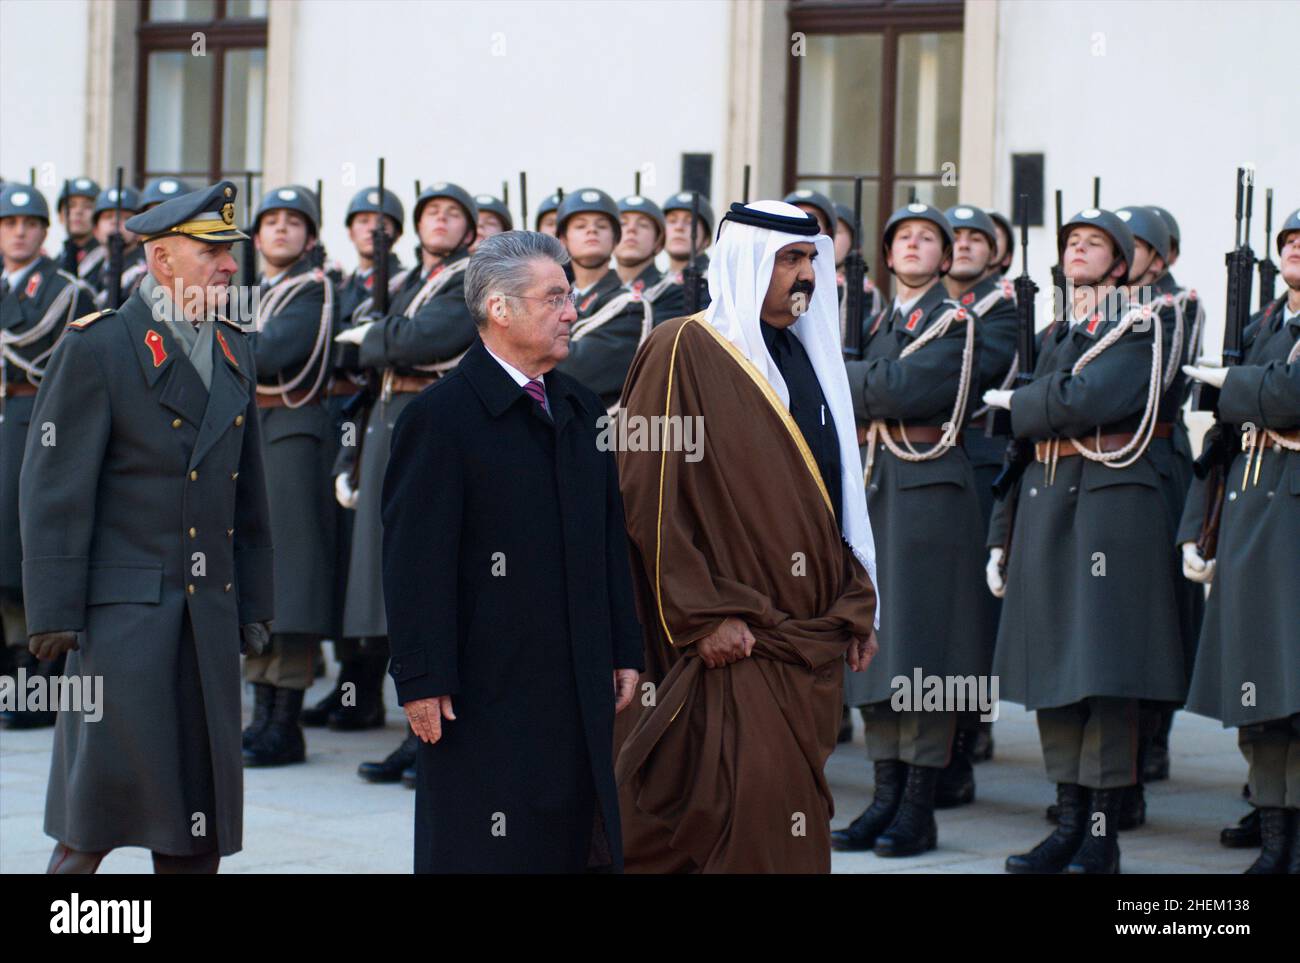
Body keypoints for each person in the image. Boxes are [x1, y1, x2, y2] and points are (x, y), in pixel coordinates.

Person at [614, 200, 879, 873]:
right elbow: (650, 492)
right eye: (789, 259)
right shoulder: (681, 347)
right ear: (748, 261)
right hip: (733, 635)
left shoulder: (806, 355)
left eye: (812, 259)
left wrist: (858, 600)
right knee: (745, 813)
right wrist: (700, 613)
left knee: (791, 814)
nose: (806, 275)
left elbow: (835, 489)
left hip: (809, 637)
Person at [20, 180, 274, 873]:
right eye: (212, 251)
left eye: (231, 252)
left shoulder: (233, 348)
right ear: (162, 260)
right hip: (124, 621)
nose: (229, 265)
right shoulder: (100, 346)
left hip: (208, 618)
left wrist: (254, 601)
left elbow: (246, 496)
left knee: (197, 826)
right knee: (91, 823)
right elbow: (54, 490)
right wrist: (53, 609)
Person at [382, 230, 643, 872]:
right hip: (480, 690)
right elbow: (414, 562)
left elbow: (610, 538)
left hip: (576, 677)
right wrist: (421, 676)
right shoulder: (440, 417)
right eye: (555, 297)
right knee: (485, 846)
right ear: (500, 308)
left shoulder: (580, 407)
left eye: (571, 297)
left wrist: (623, 647)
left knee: (574, 843)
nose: (571, 312)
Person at [985, 208, 1186, 874]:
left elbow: (1089, 399)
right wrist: (1002, 533)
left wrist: (1026, 401)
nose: (1078, 250)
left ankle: (1101, 834)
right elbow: (1030, 416)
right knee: (1054, 674)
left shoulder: (1141, 323)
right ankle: (1069, 822)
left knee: (1103, 675)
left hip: (1108, 507)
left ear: (1123, 264)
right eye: (1071, 241)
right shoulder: (1057, 330)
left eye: (1094, 243)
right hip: (1049, 500)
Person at [834, 203, 992, 855]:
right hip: (876, 488)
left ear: (946, 255)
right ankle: (887, 794)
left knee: (923, 650)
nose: (914, 246)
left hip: (927, 489)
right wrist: (864, 381)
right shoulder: (874, 319)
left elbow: (907, 389)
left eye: (928, 238)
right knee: (875, 643)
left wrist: (853, 379)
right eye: (903, 237)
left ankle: (919, 807)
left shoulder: (958, 321)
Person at [334, 181, 478, 784]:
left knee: (428, 578)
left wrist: (370, 340)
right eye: (431, 213)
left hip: (435, 420)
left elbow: (430, 338)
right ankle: (412, 731)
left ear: (470, 229)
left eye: (452, 214)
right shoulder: (411, 278)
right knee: (396, 585)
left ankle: (439, 736)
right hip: (392, 421)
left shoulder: (470, 277)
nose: (440, 221)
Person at [1180, 207, 1300, 874]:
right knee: (1259, 688)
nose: (1296, 251)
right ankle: (1277, 836)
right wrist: (1195, 528)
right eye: (1289, 241)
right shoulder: (1260, 327)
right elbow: (1219, 445)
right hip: (1250, 514)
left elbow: (1288, 395)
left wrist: (1233, 388)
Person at [239, 186, 338, 767]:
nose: (280, 230)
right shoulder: (255, 292)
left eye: (293, 222)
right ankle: (261, 712)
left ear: (309, 236)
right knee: (254, 573)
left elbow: (273, 350)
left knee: (291, 578)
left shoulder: (313, 288)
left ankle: (287, 722)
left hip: (294, 432)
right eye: (271, 221)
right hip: (254, 429)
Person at [302, 183, 406, 734]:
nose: (371, 228)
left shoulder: (402, 285)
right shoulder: (336, 284)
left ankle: (365, 691)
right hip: (336, 411)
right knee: (343, 556)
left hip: (371, 409)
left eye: (381, 220)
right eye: (362, 220)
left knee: (368, 556)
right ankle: (347, 686)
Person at [0, 183, 97, 729]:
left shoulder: (65, 291)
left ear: (45, 232)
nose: (18, 231)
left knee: (23, 547)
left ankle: (36, 678)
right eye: (9, 223)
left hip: (31, 419)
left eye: (30, 223)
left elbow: (39, 349)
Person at [552, 188, 649, 409]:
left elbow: (578, 370)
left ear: (615, 239)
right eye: (580, 226)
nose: (592, 231)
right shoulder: (552, 299)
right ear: (563, 239)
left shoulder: (630, 305)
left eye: (602, 226)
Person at [660, 190, 713, 312]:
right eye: (672, 221)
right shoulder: (656, 287)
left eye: (690, 222)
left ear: (706, 239)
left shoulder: (715, 284)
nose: (679, 228)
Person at [55, 177, 100, 277]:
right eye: (71, 206)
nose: (78, 211)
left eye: (88, 206)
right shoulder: (55, 263)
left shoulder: (107, 262)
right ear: (60, 216)